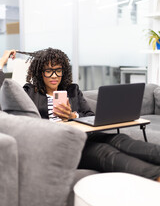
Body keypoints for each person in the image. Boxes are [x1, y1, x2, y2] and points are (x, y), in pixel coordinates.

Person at [0, 48, 160, 182]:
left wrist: (72, 115)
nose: (54, 75)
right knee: (104, 152)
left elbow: (89, 115)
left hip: (87, 135)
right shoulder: (29, 92)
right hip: (63, 143)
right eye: (49, 71)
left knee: (120, 139)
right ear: (40, 72)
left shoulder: (72, 90)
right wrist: (2, 62)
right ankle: (156, 176)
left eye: (58, 70)